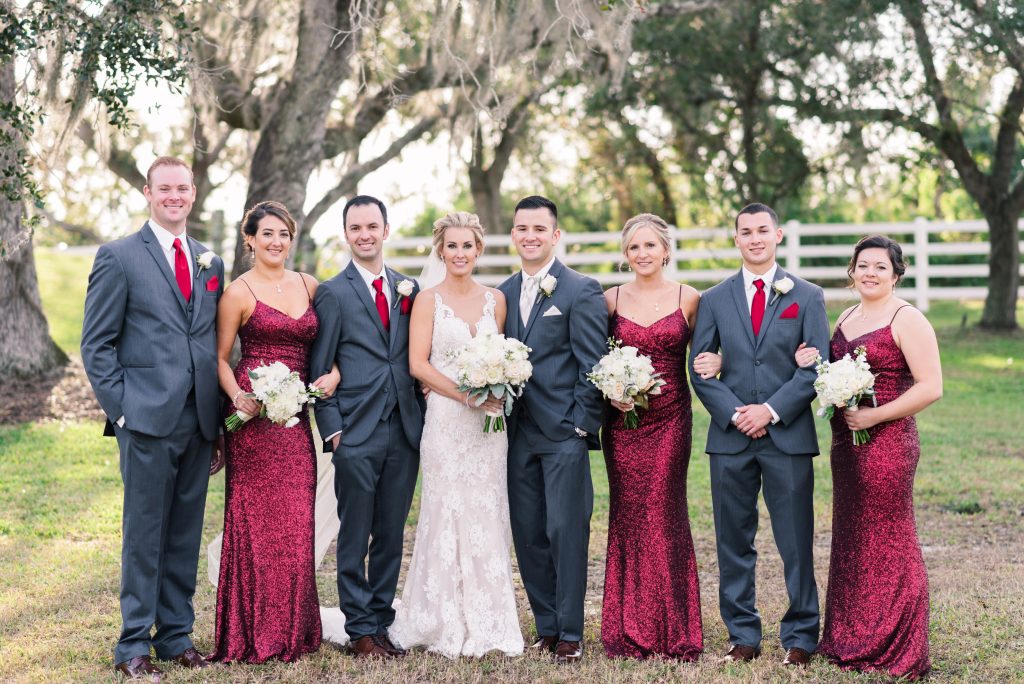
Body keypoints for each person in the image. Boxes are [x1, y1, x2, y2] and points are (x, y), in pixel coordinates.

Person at [81, 156, 224, 680]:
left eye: (182, 188)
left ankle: (176, 636)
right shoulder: (118, 257)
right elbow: (96, 346)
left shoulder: (210, 260)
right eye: (164, 188)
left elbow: (208, 341)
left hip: (199, 421)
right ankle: (133, 646)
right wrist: (123, 411)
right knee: (144, 533)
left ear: (193, 193)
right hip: (144, 419)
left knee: (185, 532)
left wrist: (219, 419)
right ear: (147, 192)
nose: (174, 196)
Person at [688, 202, 829, 666]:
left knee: (795, 540)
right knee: (733, 539)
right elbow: (700, 368)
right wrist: (734, 414)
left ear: (778, 235)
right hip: (730, 440)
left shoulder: (806, 296)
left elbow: (816, 370)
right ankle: (742, 634)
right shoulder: (713, 299)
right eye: (745, 232)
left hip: (786, 436)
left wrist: (769, 411)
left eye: (762, 230)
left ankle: (801, 636)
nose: (754, 238)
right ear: (736, 239)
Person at [795, 235, 941, 680]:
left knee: (889, 536)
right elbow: (828, 371)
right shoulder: (846, 316)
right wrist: (809, 360)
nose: (870, 273)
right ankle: (852, 637)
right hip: (848, 446)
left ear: (896, 274)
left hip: (890, 443)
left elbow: (930, 386)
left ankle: (896, 642)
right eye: (863, 265)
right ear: (852, 272)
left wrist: (876, 416)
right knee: (853, 535)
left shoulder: (907, 318)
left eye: (880, 266)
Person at [388, 212, 524, 658]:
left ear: (479, 250)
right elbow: (418, 365)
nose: (460, 253)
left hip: (490, 428)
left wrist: (495, 388)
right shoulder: (428, 300)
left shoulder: (496, 301)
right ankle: (439, 617)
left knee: (488, 514)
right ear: (440, 251)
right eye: (452, 246)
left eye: (468, 246)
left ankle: (491, 619)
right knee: (444, 513)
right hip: (447, 422)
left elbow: (503, 357)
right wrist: (467, 396)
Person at [208, 201, 339, 663]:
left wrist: (335, 375)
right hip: (254, 421)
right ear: (250, 240)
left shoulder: (310, 285)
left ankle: (295, 632)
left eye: (283, 234)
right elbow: (221, 358)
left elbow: (334, 342)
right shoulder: (238, 293)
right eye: (267, 234)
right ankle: (251, 634)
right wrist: (238, 397)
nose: (276, 242)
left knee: (296, 523)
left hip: (296, 420)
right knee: (255, 526)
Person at [308, 195, 425, 658]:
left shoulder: (409, 289)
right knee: (355, 535)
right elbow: (322, 367)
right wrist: (333, 432)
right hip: (355, 431)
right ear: (346, 234)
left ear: (386, 229)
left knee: (392, 533)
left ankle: (381, 621)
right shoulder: (333, 292)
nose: (365, 234)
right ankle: (359, 630)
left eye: (372, 226)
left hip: (404, 430)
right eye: (356, 227)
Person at [497, 195, 607, 665]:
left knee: (566, 531)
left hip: (563, 433)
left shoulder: (580, 290)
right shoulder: (500, 292)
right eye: (522, 228)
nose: (530, 236)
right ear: (514, 235)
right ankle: (544, 626)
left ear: (555, 235)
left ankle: (569, 632)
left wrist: (580, 426)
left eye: (539, 229)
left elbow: (592, 365)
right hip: (514, 434)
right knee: (528, 532)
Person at [600, 214, 707, 660]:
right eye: (633, 248)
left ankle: (675, 628)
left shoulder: (690, 298)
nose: (642, 254)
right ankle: (627, 627)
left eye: (649, 246)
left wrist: (715, 365)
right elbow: (591, 357)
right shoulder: (609, 300)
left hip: (670, 420)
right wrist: (611, 392)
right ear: (626, 255)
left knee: (664, 512)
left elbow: (710, 353)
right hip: (624, 425)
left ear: (665, 249)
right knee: (628, 514)